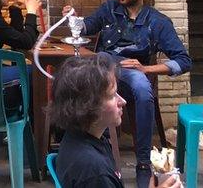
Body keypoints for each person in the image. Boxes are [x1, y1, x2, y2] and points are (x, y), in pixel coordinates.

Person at [65, 0, 191, 188]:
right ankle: (87, 148)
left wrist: (146, 69)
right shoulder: (109, 9)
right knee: (83, 73)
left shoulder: (157, 21)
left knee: (143, 88)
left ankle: (143, 163)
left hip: (133, 74)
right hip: (105, 70)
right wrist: (74, 19)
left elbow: (183, 61)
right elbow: (85, 27)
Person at [52, 55, 181, 188]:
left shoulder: (82, 139)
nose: (123, 102)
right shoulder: (94, 173)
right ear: (87, 105)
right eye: (112, 95)